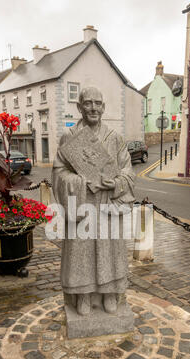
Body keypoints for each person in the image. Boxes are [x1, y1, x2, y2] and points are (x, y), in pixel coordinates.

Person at [52, 86, 135, 316]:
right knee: (82, 252)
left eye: (98, 103)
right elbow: (58, 172)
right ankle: (84, 296)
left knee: (110, 251)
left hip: (108, 204)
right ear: (79, 107)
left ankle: (110, 293)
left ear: (104, 107)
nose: (93, 108)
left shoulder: (114, 138)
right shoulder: (70, 138)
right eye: (87, 103)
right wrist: (78, 182)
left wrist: (115, 184)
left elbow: (128, 171)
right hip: (82, 206)